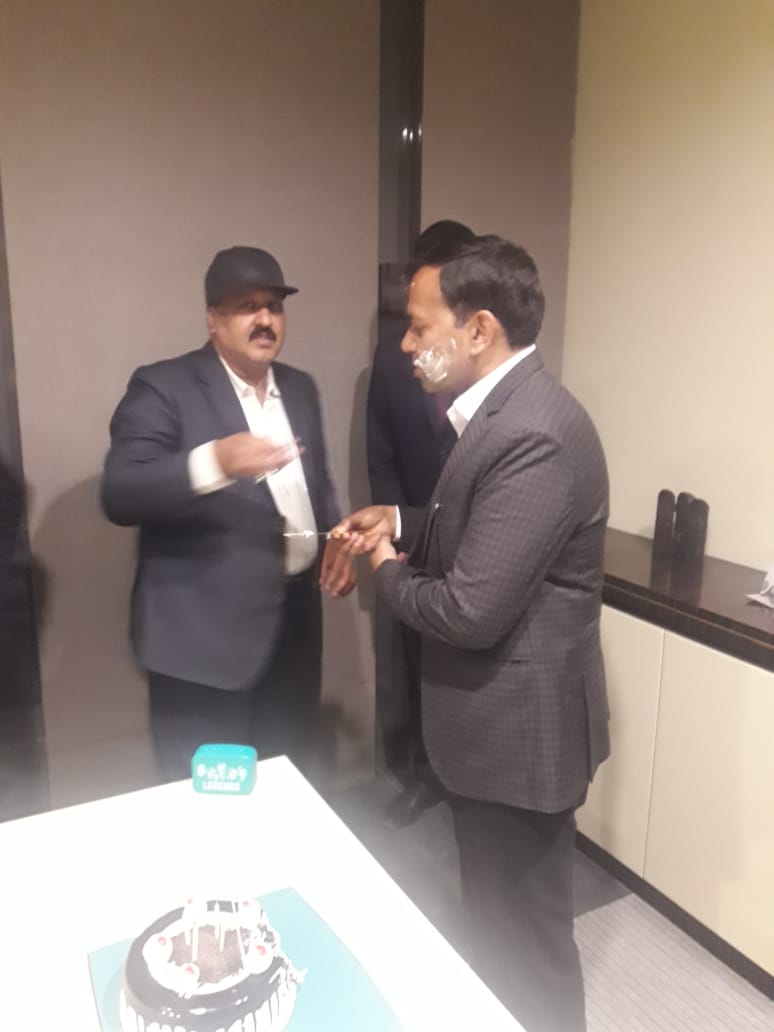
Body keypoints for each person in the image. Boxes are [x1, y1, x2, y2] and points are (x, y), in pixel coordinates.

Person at [331, 235, 609, 1032]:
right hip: (495, 738)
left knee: (527, 948)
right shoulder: (499, 413)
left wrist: (384, 567)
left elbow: (468, 610)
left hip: (519, 744)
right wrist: (400, 519)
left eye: (420, 327)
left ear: (478, 329)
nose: (407, 346)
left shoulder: (533, 433)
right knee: (495, 932)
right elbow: (475, 527)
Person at [101, 245, 354, 782]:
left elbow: (316, 485)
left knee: (285, 782)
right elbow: (121, 493)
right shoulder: (162, 386)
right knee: (210, 802)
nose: (264, 319)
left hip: (293, 633)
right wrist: (215, 461)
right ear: (212, 319)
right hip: (202, 648)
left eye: (274, 306)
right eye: (246, 306)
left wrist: (332, 536)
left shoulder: (300, 388)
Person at [367, 219, 475, 825]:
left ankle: (467, 776)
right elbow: (380, 451)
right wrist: (393, 531)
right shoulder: (392, 359)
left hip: (481, 538)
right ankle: (424, 771)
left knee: (473, 658)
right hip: (414, 534)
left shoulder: (491, 370)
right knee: (415, 657)